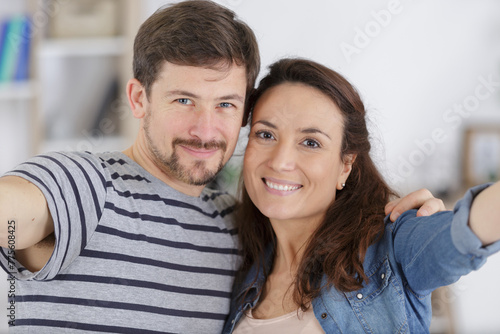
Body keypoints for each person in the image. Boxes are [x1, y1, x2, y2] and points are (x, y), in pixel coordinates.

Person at [0, 1, 444, 333]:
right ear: (139, 99)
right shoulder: (87, 185)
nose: (205, 129)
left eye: (226, 104)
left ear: (245, 113)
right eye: (184, 100)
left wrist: (398, 218)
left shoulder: (241, 230)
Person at [222, 58, 500, 334]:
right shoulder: (241, 268)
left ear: (345, 166)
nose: (281, 161)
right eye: (266, 134)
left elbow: (468, 231)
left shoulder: (389, 247)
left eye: (311, 142)